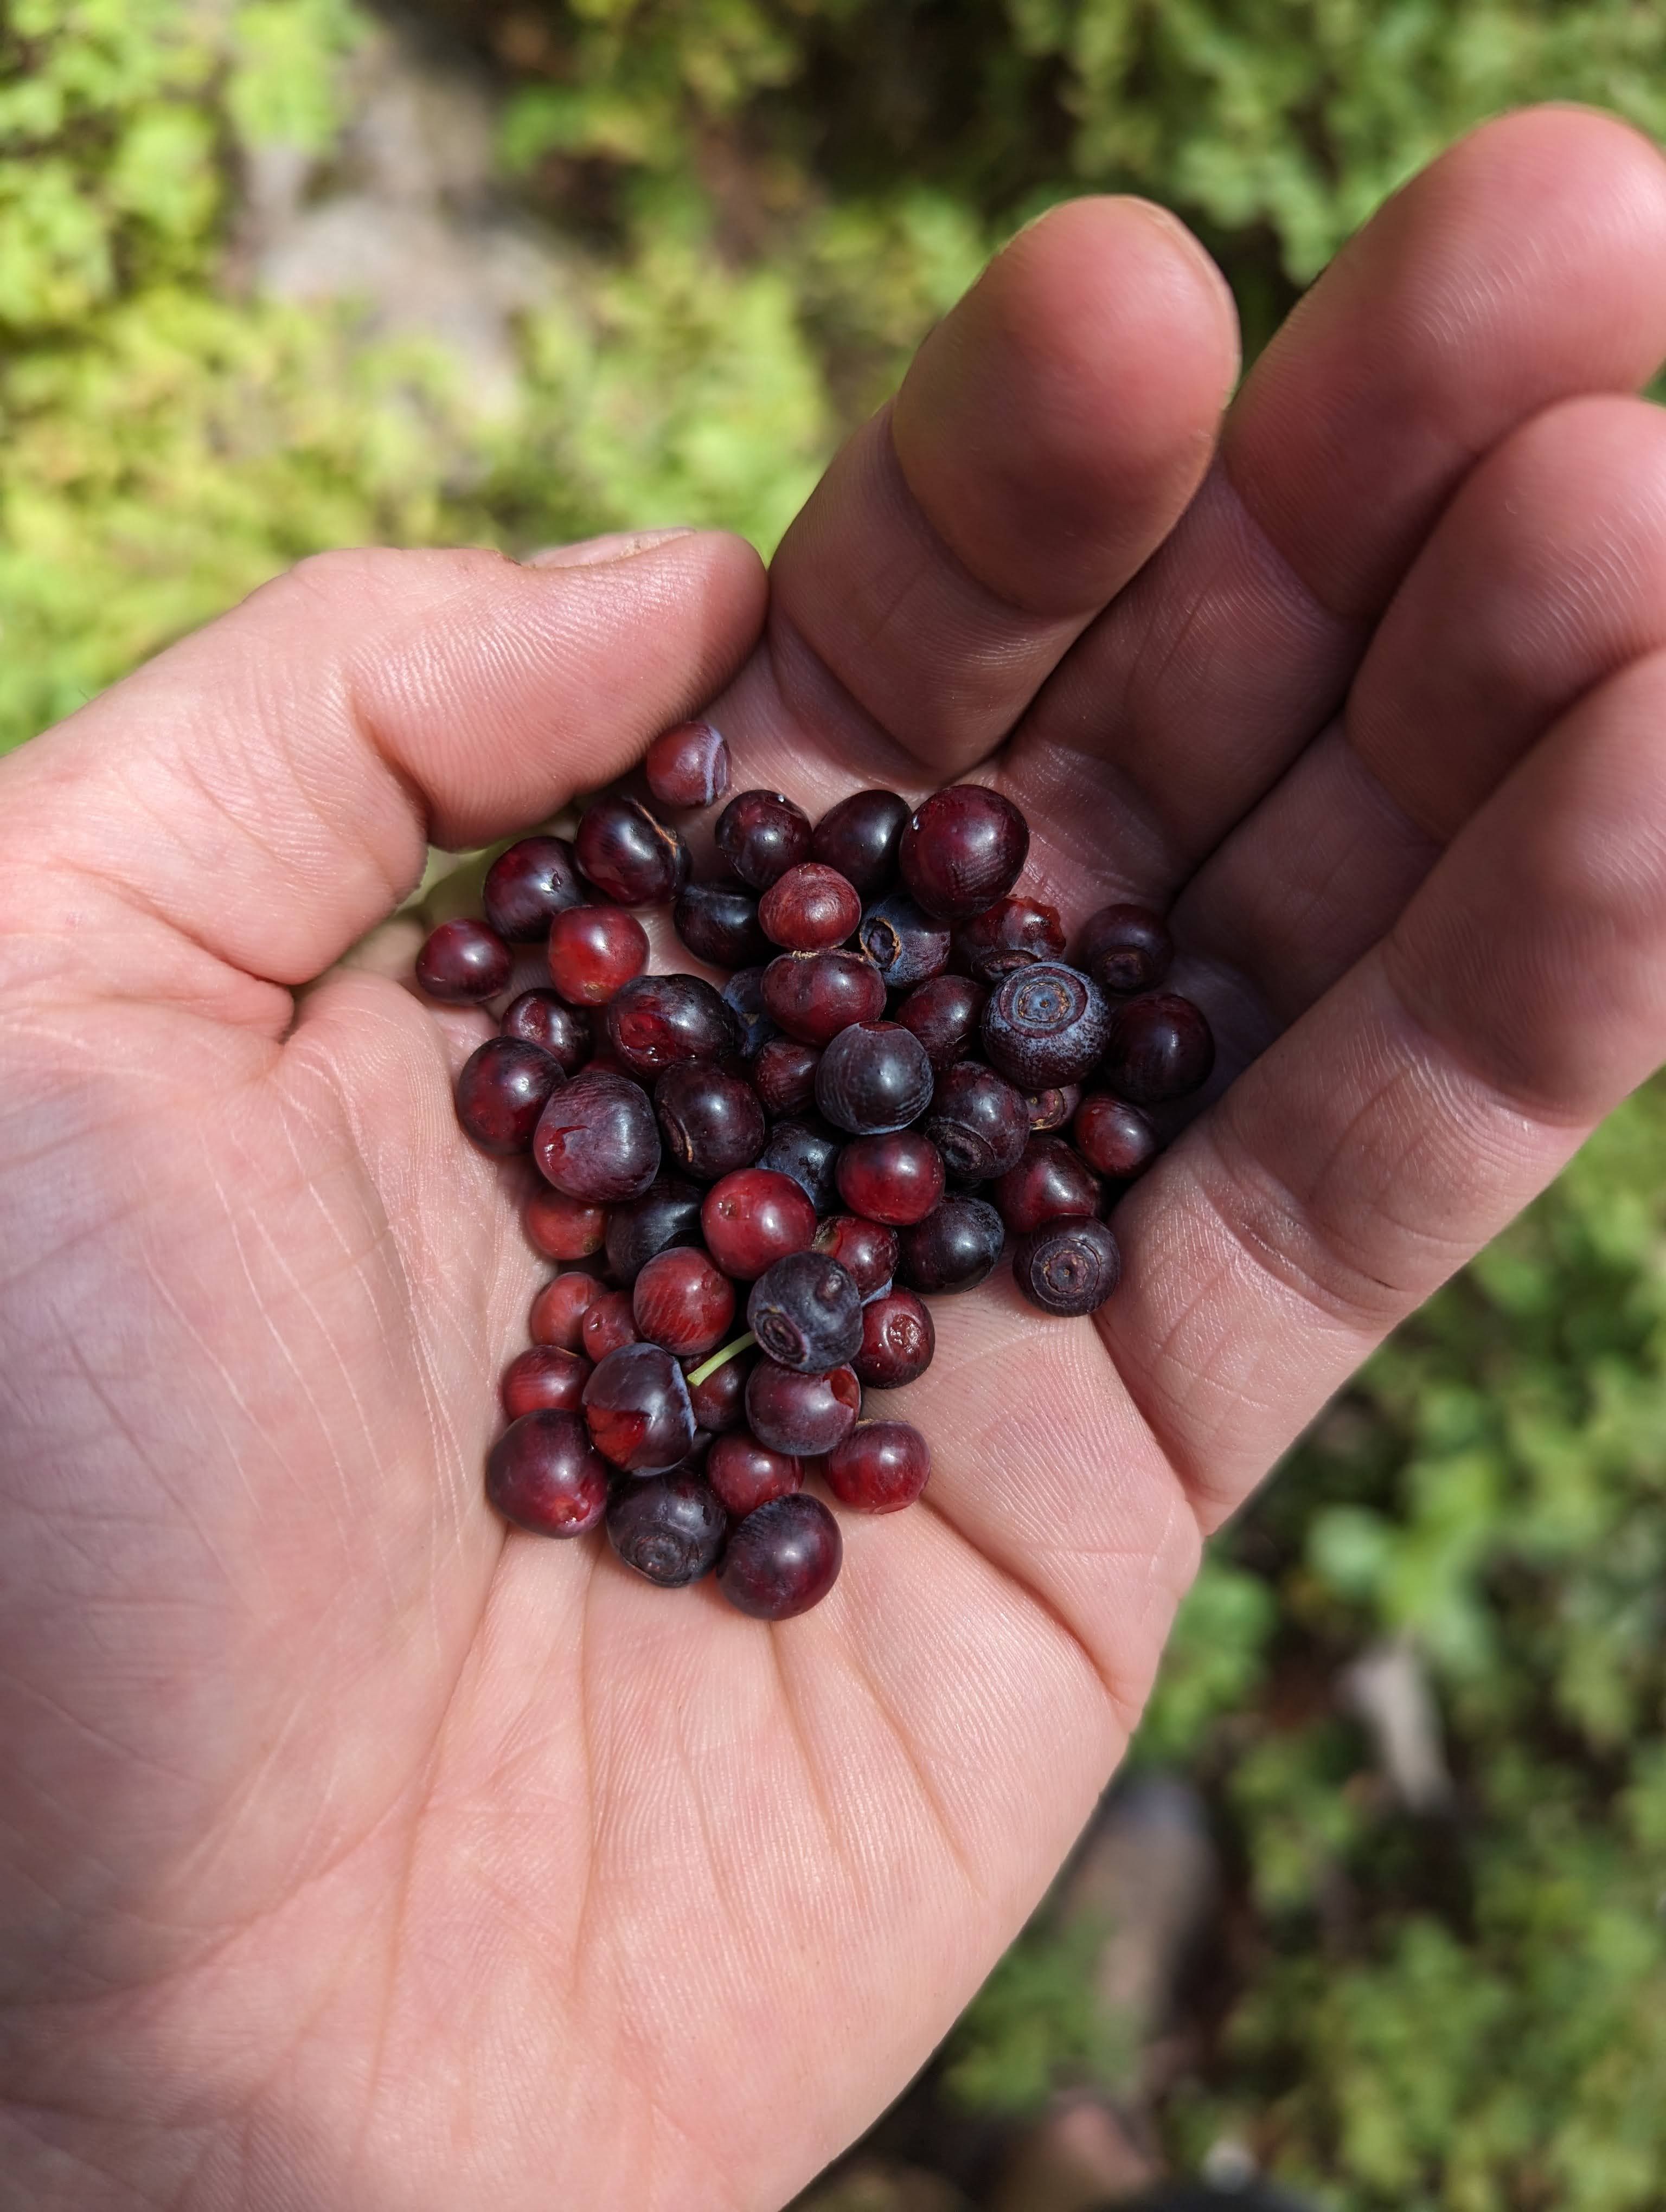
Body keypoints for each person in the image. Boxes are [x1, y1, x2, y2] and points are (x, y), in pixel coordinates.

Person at [2, 101, 1664, 2211]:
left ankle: (1070, 2144)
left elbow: (857, 1178)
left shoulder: (849, 1184)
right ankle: (1079, 2147)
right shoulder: (710, 1172)